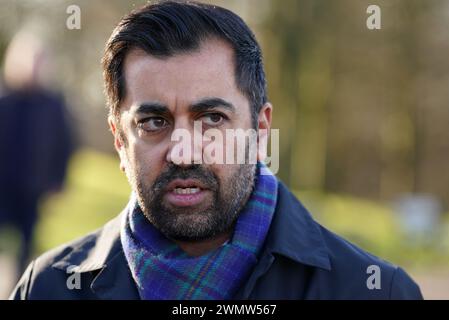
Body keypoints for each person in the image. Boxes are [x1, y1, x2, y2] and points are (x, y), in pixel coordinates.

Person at [10, 1, 422, 300]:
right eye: (154, 123)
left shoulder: (373, 292)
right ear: (120, 141)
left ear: (260, 129)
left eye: (211, 119)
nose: (184, 152)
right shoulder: (47, 289)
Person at [0, 31, 73, 276]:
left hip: (34, 186)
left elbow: (65, 144)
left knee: (26, 242)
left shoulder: (53, 103)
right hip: (3, 183)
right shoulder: (5, 99)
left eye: (38, 61)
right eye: (29, 60)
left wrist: (59, 181)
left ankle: (16, 288)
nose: (33, 67)